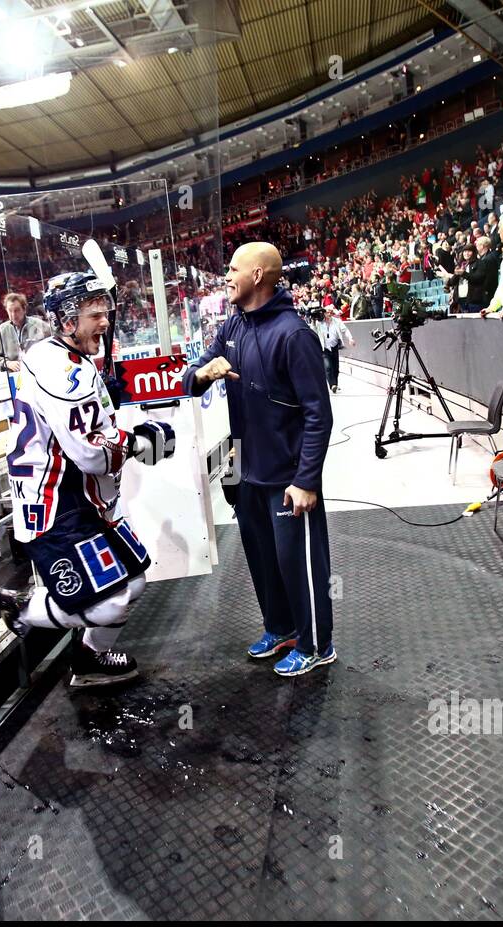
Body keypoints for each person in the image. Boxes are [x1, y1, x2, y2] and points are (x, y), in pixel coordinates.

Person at [0, 270, 176, 688]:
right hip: (56, 506)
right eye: (94, 314)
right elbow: (90, 452)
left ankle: (89, 659)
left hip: (86, 501)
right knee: (109, 602)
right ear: (67, 320)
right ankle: (22, 609)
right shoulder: (60, 369)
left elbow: (95, 427)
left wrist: (128, 428)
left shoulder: (64, 356)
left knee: (135, 581)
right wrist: (139, 441)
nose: (104, 321)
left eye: (105, 312)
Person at [181, 241, 335, 676]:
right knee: (264, 562)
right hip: (248, 471)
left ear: (257, 276)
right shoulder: (232, 326)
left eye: (232, 269)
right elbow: (190, 376)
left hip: (289, 477)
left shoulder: (294, 334)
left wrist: (307, 480)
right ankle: (281, 628)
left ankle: (317, 644)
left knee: (298, 564)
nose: (225, 276)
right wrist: (200, 374)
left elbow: (318, 414)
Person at [0, 292, 52, 373]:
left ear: (24, 309)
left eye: (17, 310)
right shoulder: (1, 330)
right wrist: (7, 363)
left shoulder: (40, 325)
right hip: (16, 377)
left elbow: (54, 347)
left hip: (40, 372)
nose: (13, 314)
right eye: (10, 311)